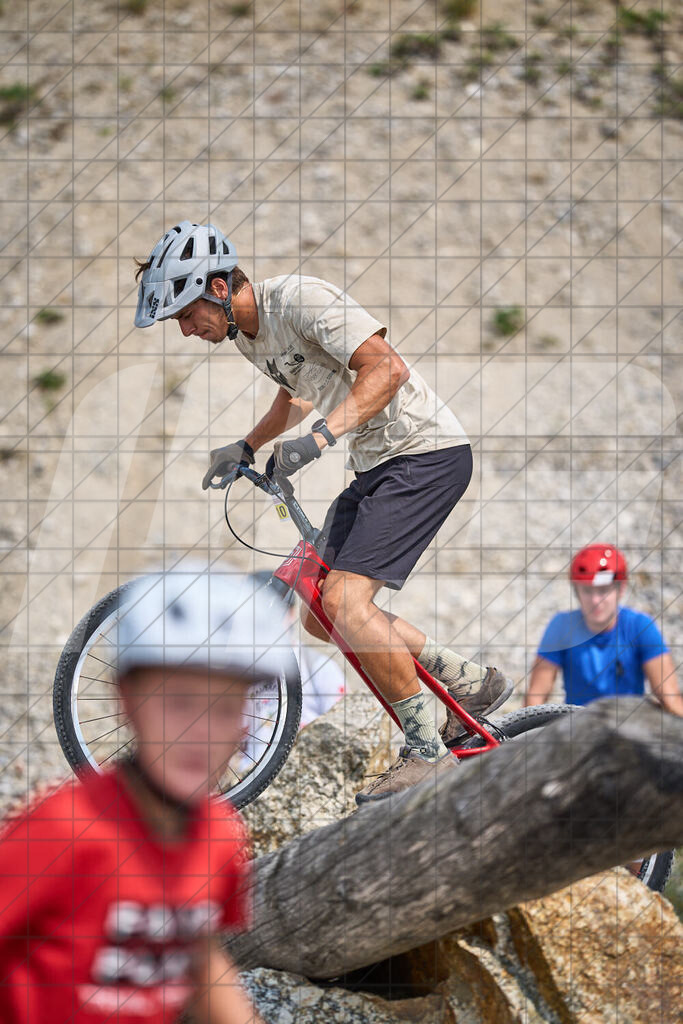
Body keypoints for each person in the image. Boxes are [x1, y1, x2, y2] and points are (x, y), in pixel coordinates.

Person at [134, 220, 513, 802]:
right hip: (378, 465)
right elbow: (297, 393)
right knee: (319, 609)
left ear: (216, 287)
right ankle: (468, 681)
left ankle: (424, 751)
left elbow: (387, 368)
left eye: (186, 314)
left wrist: (319, 439)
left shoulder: (300, 299)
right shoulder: (247, 336)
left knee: (343, 600)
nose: (185, 330)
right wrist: (249, 446)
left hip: (426, 455)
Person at [0, 567, 282, 1023]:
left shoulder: (218, 836)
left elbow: (201, 957)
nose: (200, 733)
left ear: (246, 725)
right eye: (178, 703)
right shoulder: (61, 828)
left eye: (225, 709)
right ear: (126, 701)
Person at [526, 544, 683, 714]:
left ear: (620, 588)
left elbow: (669, 697)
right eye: (587, 590)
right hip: (579, 726)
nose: (595, 600)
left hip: (628, 725)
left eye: (603, 591)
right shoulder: (561, 626)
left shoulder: (640, 626)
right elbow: (536, 696)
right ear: (576, 591)